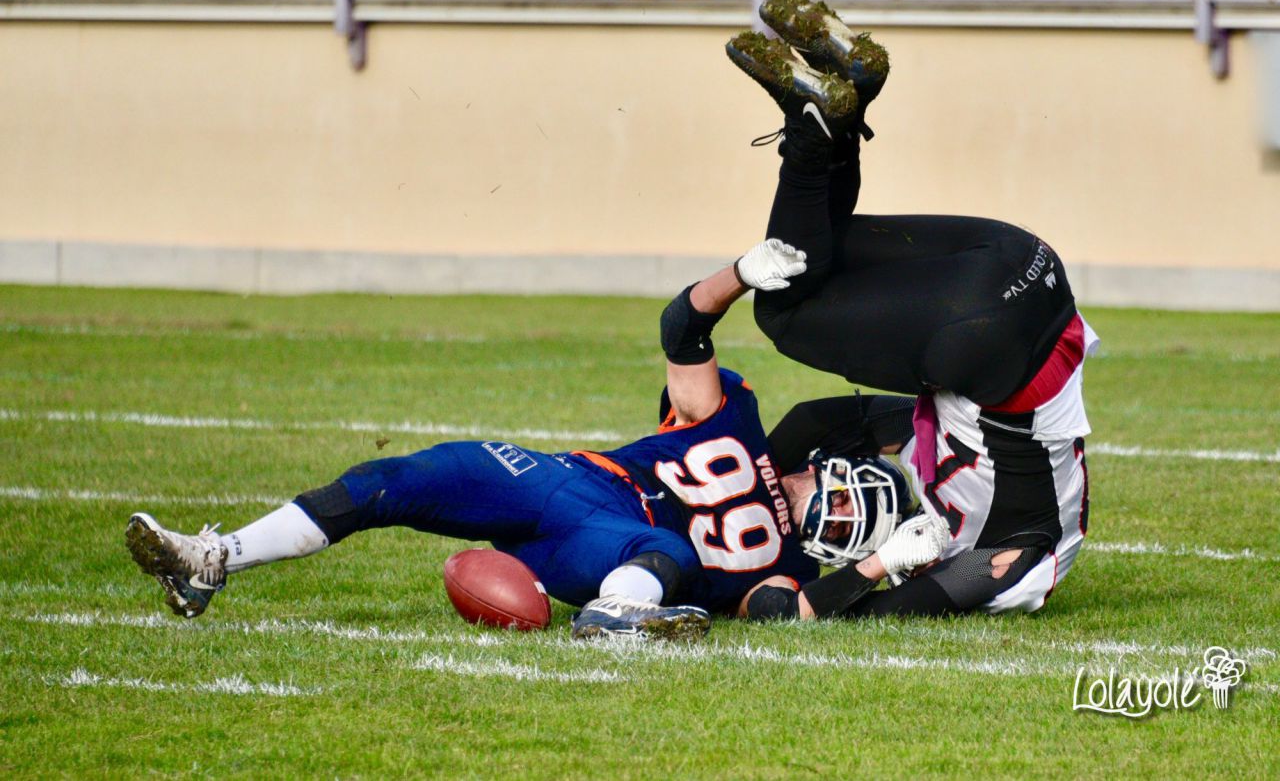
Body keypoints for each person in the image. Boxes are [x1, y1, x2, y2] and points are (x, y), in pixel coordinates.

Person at [125, 253, 950, 642]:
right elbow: (682, 326)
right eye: (849, 501)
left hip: (609, 547)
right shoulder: (732, 419)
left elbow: (777, 613)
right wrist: (737, 272)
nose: (833, 517)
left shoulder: (794, 568)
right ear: (830, 464)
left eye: (850, 529)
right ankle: (213, 559)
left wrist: (884, 565)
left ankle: (616, 620)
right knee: (391, 478)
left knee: (666, 551)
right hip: (560, 480)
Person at [724, 0, 1098, 617]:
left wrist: (750, 492)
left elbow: (820, 421)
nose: (836, 505)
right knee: (782, 314)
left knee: (814, 251)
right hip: (991, 336)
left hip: (1028, 264)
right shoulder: (1021, 566)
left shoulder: (937, 458)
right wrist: (874, 565)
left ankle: (841, 105)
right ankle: (812, 128)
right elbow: (858, 614)